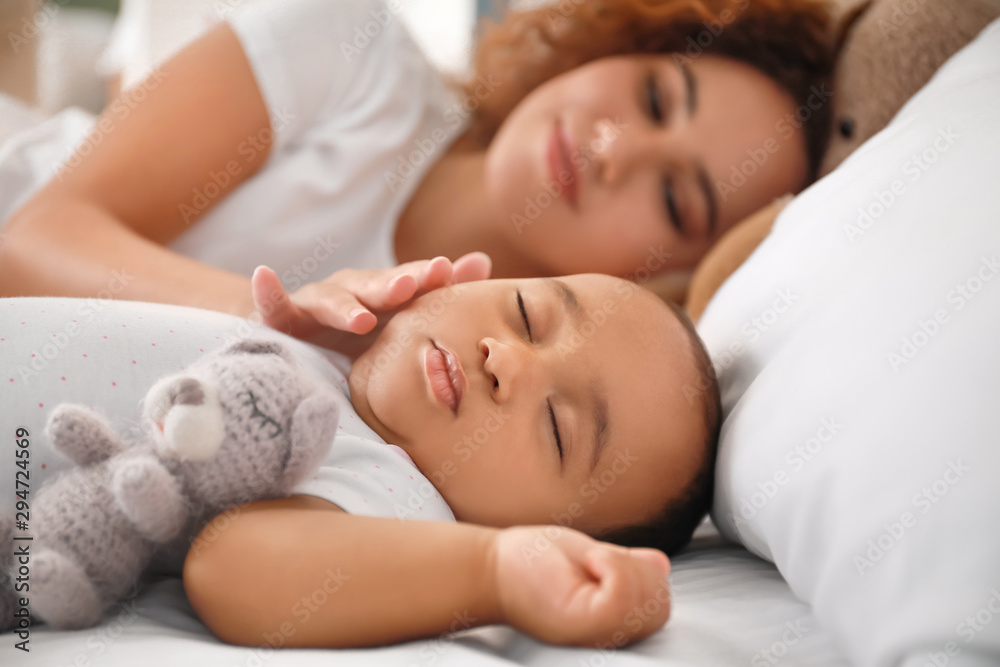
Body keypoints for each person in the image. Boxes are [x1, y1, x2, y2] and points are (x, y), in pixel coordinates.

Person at [0, 0, 835, 350]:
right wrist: (287, 322)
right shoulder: (352, 45)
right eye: (655, 94)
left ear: (672, 276)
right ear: (613, 44)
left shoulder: (495, 380)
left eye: (673, 196)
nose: (614, 147)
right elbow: (32, 242)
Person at [184, 265, 722, 649]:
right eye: (526, 314)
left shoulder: (396, 494)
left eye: (558, 429)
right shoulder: (333, 349)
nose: (507, 359)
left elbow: (228, 568)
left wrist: (494, 572)